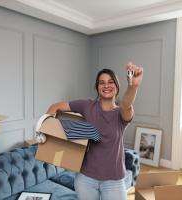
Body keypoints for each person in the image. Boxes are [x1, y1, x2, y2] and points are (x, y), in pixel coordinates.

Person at [46, 62, 143, 200]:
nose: (106, 85)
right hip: (85, 179)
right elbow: (56, 107)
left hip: (113, 181)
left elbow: (126, 103)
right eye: (101, 83)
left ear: (117, 87)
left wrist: (133, 86)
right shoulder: (87, 106)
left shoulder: (121, 113)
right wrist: (46, 130)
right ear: (97, 87)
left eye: (110, 82)